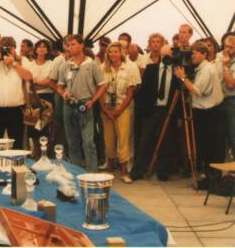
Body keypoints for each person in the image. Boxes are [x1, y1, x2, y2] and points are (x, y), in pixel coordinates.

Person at [174, 41, 224, 186]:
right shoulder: (202, 68)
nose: (192, 56)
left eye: (195, 53)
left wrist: (183, 78)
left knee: (210, 147)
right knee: (206, 146)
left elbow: (197, 91)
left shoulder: (207, 69)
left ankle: (212, 179)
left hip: (209, 113)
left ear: (204, 54)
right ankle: (209, 177)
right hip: (205, 112)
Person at [131, 44, 181, 181]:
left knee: (167, 141)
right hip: (152, 110)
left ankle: (163, 171)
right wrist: (143, 111)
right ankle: (139, 170)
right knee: (145, 140)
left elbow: (180, 94)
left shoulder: (178, 71)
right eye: (164, 56)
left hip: (169, 110)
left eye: (169, 56)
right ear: (160, 56)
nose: (166, 59)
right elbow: (143, 91)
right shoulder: (151, 69)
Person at [57, 34, 106, 171]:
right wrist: (63, 93)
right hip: (69, 105)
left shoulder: (92, 64)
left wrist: (93, 101)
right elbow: (59, 86)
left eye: (73, 44)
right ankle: (76, 171)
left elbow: (102, 85)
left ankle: (91, 173)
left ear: (81, 45)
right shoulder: (65, 66)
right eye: (68, 45)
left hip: (85, 105)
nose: (70, 47)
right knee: (72, 142)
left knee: (88, 142)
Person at [0, 36, 32, 155]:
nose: (7, 51)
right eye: (4, 48)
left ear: (15, 49)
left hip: (16, 111)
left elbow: (29, 77)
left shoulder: (23, 61)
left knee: (17, 145)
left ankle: (16, 170)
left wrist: (13, 63)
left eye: (10, 48)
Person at [99, 42, 140, 183]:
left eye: (116, 51)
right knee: (108, 138)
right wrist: (105, 109)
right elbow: (98, 90)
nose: (113, 54)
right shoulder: (102, 68)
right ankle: (110, 169)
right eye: (110, 52)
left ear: (121, 53)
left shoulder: (130, 67)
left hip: (122, 106)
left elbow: (131, 92)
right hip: (106, 107)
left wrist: (119, 110)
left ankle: (124, 171)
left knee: (123, 139)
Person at [27, 40, 54, 158]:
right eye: (39, 47)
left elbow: (50, 81)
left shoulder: (51, 64)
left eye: (44, 47)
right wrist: (38, 83)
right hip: (32, 97)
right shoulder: (30, 64)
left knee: (44, 125)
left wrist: (36, 82)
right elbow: (28, 81)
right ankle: (35, 151)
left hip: (46, 98)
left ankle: (45, 153)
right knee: (33, 125)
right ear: (36, 49)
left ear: (48, 50)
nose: (42, 49)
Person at [219, 35, 235, 156]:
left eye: (231, 47)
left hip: (231, 101)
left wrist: (225, 66)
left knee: (233, 134)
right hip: (217, 101)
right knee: (220, 137)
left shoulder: (226, 61)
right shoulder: (218, 56)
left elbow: (230, 84)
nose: (227, 50)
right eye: (226, 46)